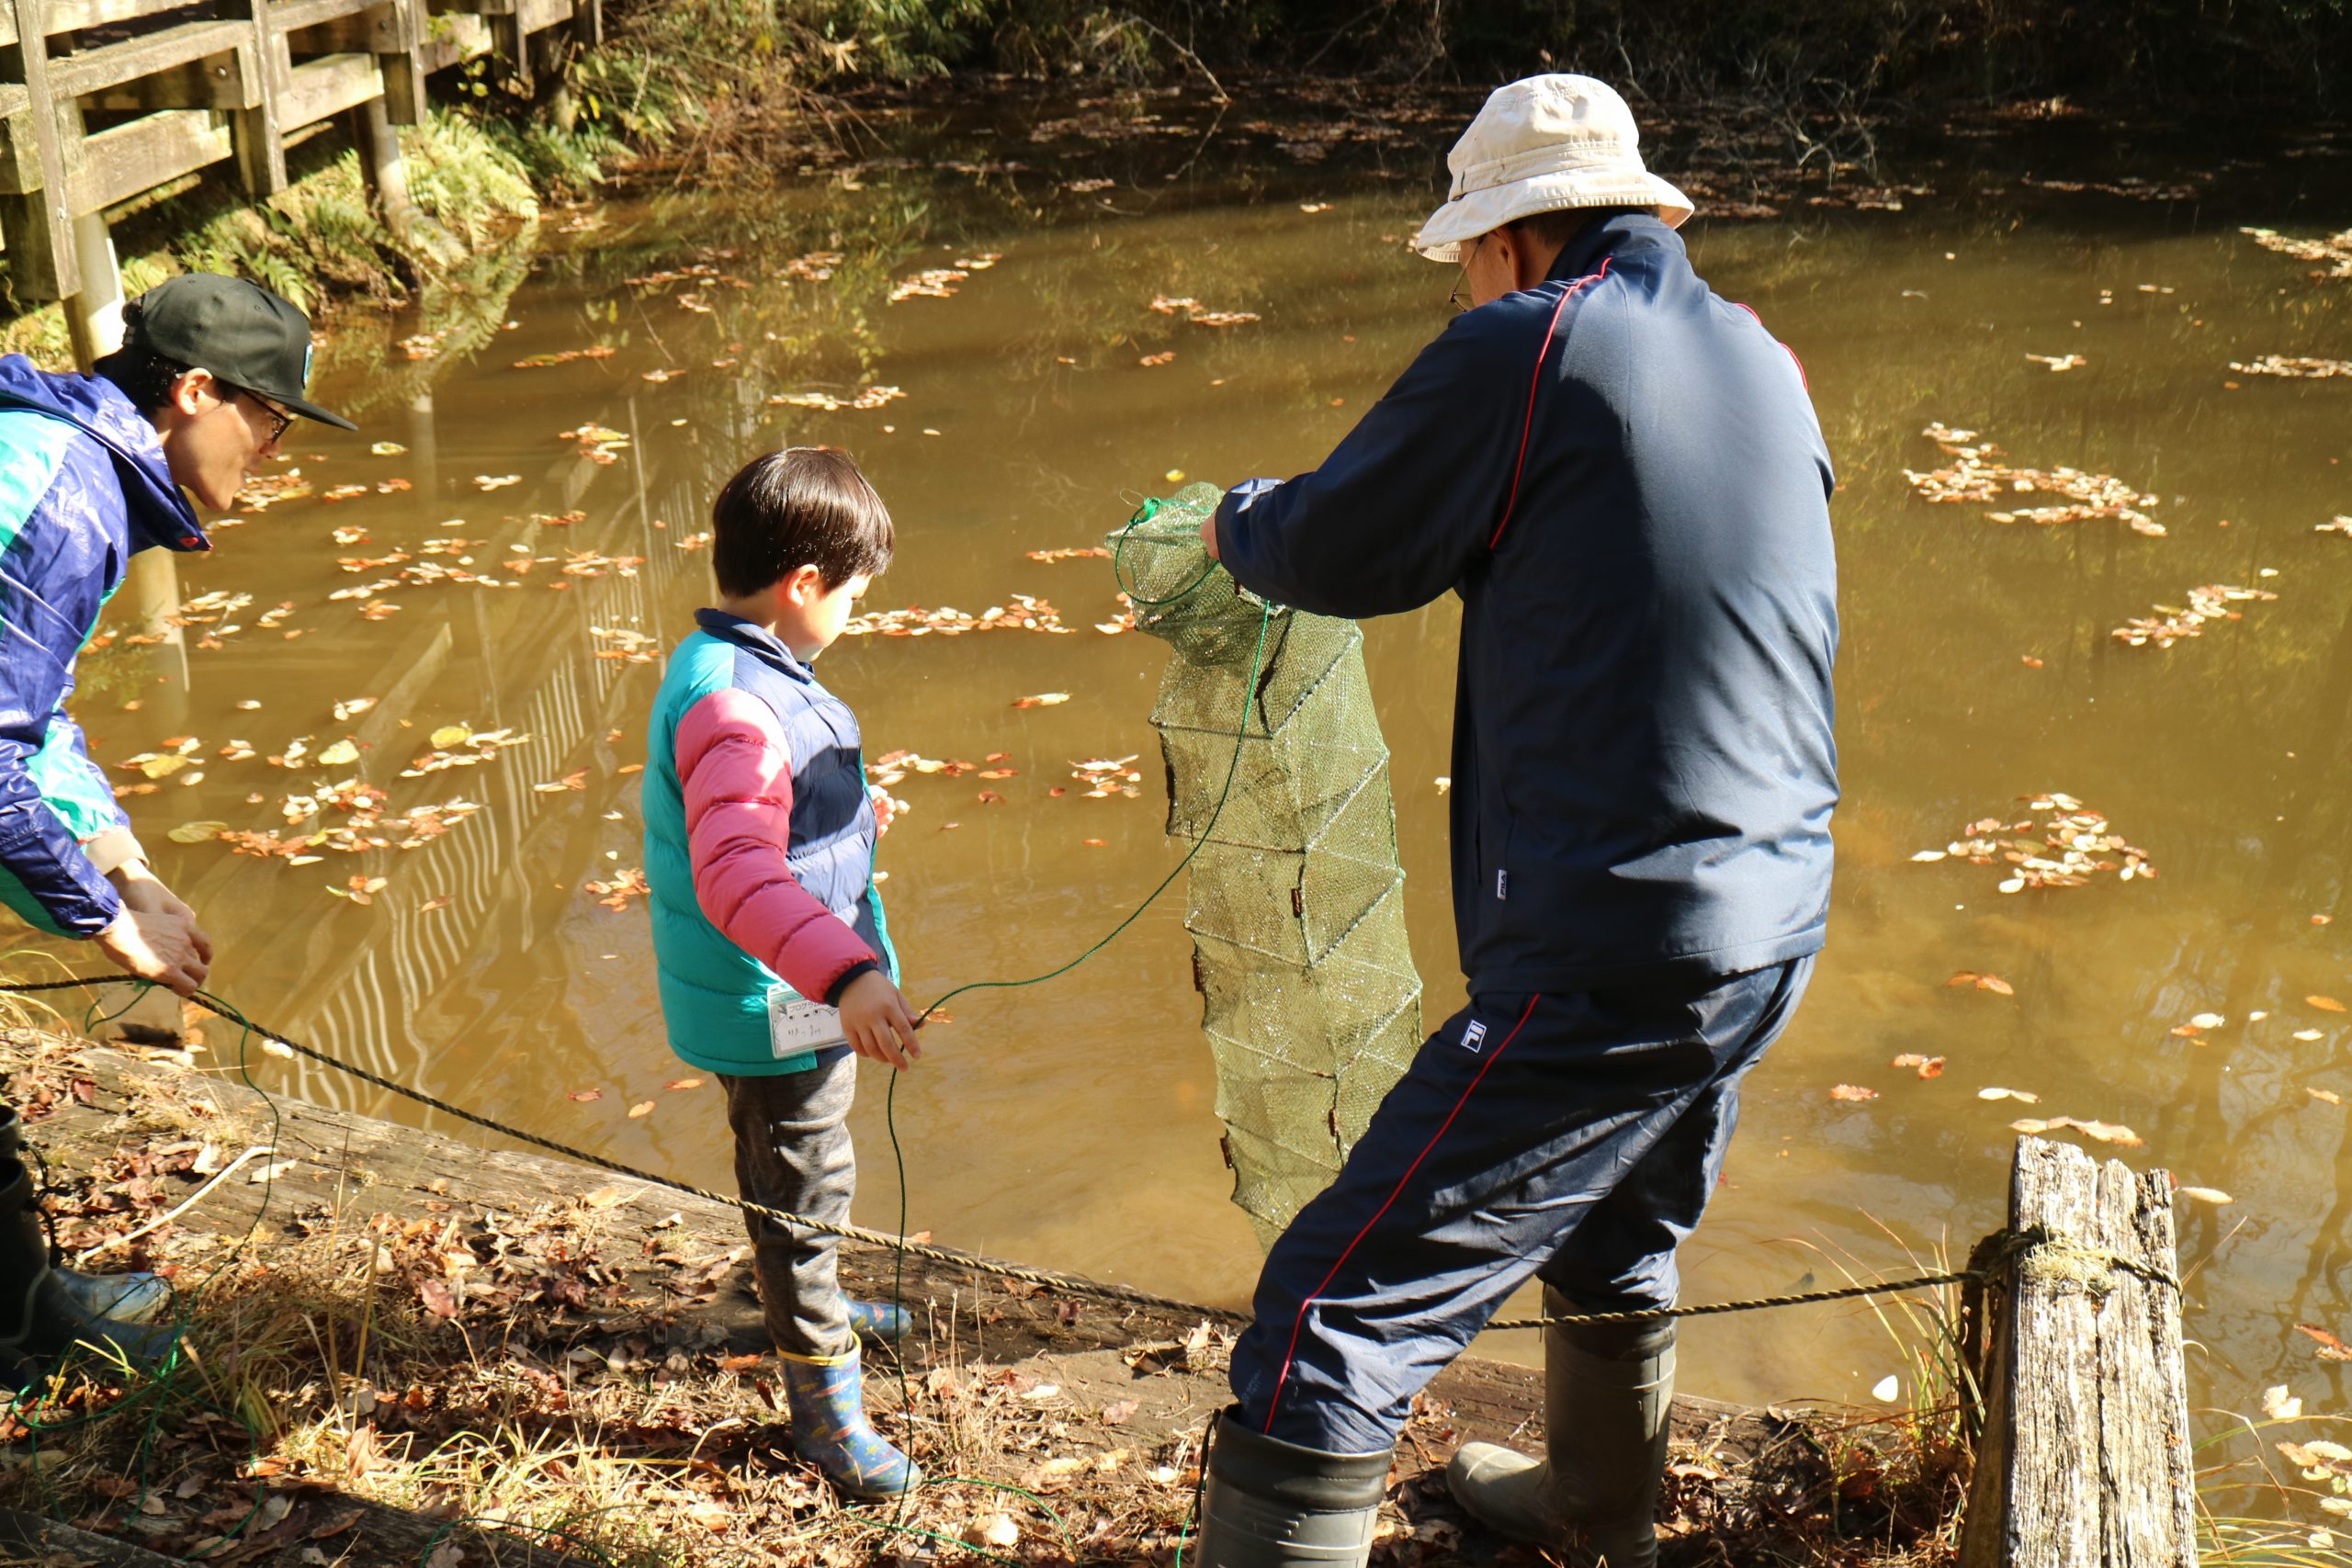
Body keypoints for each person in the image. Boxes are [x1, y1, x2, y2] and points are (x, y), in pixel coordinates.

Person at [1189, 75, 1839, 1567]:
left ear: (1513, 240)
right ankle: (1594, 1515)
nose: (1464, 282)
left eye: (1467, 252)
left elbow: (1342, 540)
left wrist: (1231, 521)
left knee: (1328, 1316)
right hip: (1773, 917)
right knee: (1617, 1214)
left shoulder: (1527, 345)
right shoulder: (1761, 356)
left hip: (1619, 937)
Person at [0, 273, 356, 1389]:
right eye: (272, 418)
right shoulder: (63, 491)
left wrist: (124, 866)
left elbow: (29, 713)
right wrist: (105, 922)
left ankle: (23, 1309)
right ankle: (19, 1345)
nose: (276, 448)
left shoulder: (64, 456)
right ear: (196, 391)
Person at [640, 446, 929, 1499]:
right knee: (805, 1193)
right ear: (803, 584)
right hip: (776, 1002)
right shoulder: (736, 705)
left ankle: (798, 1295)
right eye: (853, 591)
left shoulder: (730, 664)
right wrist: (849, 976)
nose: (855, 610)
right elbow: (734, 878)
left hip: (775, 990)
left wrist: (848, 815)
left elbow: (759, 824)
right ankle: (825, 1411)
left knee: (797, 1174)